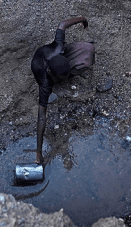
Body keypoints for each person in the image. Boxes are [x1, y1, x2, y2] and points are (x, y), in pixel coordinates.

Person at [31, 17, 95, 164]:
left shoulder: (59, 49)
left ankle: (67, 71)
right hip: (43, 66)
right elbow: (41, 117)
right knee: (77, 65)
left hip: (55, 59)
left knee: (89, 50)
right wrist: (38, 153)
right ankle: (61, 81)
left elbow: (62, 24)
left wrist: (83, 19)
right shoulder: (44, 83)